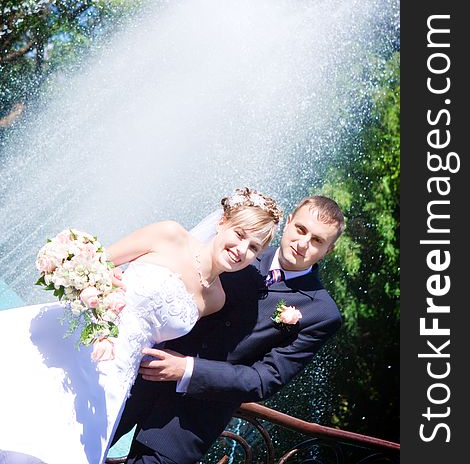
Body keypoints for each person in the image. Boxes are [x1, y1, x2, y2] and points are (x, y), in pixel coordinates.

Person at [0, 188, 282, 464]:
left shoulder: (216, 299)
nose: (242, 249)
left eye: (254, 247)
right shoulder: (170, 235)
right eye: (240, 234)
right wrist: (100, 302)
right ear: (222, 223)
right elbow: (96, 266)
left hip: (114, 380)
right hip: (75, 343)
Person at [111, 195, 345, 464]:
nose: (303, 243)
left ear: (328, 250)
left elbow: (264, 379)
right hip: (132, 382)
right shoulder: (235, 250)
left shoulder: (323, 313)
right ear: (289, 222)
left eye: (317, 241)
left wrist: (188, 369)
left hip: (185, 425)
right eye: (301, 230)